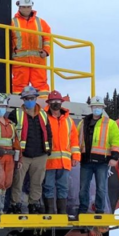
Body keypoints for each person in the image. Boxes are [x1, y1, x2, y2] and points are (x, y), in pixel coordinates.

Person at [9, 85, 52, 213]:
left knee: (37, 182)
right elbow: (10, 134)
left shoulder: (43, 114)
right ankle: (15, 204)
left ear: (36, 98)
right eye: (27, 98)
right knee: (18, 181)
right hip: (23, 155)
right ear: (23, 99)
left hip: (40, 154)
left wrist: (48, 149)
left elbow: (48, 133)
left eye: (32, 98)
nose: (30, 100)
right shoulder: (15, 114)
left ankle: (33, 204)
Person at [77, 95, 119, 214]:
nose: (97, 108)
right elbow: (76, 140)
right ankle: (83, 209)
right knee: (83, 188)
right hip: (86, 161)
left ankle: (100, 210)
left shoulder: (110, 124)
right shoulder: (83, 123)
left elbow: (116, 141)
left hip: (102, 162)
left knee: (101, 188)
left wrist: (115, 157)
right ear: (91, 107)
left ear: (102, 108)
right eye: (95, 106)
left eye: (99, 107)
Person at [43, 90, 80, 218]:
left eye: (57, 101)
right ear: (49, 103)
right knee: (48, 187)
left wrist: (75, 156)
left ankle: (62, 212)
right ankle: (49, 212)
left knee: (63, 188)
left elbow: (74, 140)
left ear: (61, 103)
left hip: (65, 162)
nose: (55, 104)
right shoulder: (44, 118)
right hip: (49, 161)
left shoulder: (68, 121)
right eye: (53, 102)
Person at [10, 0, 52, 94]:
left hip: (38, 61)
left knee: (41, 87)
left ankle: (44, 108)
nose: (26, 9)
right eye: (24, 7)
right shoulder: (12, 22)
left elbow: (47, 38)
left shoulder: (41, 22)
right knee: (19, 87)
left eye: (28, 7)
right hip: (20, 62)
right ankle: (18, 108)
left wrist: (46, 51)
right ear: (19, 8)